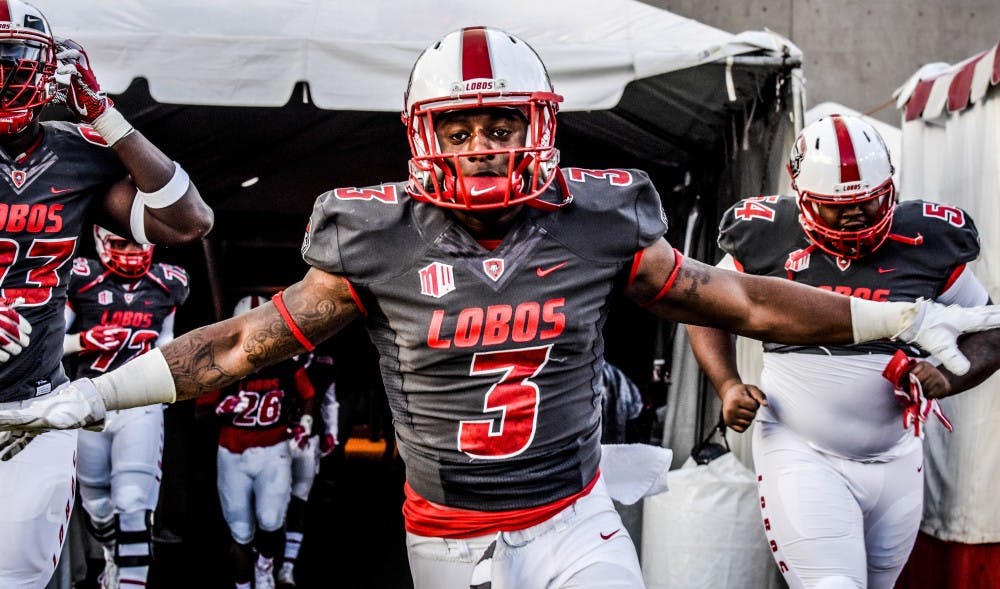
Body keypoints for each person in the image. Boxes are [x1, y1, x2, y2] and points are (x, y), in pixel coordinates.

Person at [0, 27, 998, 589]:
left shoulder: (601, 218)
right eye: (461, 126)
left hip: (574, 519)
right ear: (426, 135)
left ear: (540, 127)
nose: (481, 145)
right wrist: (90, 397)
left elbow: (739, 298)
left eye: (500, 124)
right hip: (447, 534)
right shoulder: (372, 235)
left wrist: (894, 321)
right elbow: (236, 348)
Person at [685, 114, 992, 589]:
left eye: (870, 202)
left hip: (897, 456)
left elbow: (989, 328)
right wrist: (727, 384)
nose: (857, 215)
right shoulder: (766, 232)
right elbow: (701, 305)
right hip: (801, 448)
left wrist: (946, 377)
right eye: (837, 207)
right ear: (804, 200)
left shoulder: (927, 239)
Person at [0, 1, 212, 586]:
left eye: (9, 58)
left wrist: (108, 118)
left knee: (19, 576)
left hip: (34, 409)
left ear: (46, 69)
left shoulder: (74, 153)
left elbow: (188, 222)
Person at [62, 226, 190, 588]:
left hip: (141, 403)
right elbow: (49, 346)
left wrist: (167, 388)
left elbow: (167, 344)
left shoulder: (168, 282)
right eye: (121, 243)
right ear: (101, 242)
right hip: (92, 401)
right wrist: (84, 340)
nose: (132, 252)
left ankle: (130, 579)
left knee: (134, 503)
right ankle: (112, 555)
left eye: (138, 243)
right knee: (97, 505)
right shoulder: (82, 278)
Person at [199, 295, 316, 589]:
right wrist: (219, 409)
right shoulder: (223, 366)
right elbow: (198, 412)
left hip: (274, 452)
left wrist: (305, 423)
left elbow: (309, 394)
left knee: (272, 520)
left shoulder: (285, 363)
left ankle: (264, 565)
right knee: (239, 532)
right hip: (232, 454)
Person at [278, 350, 338, 588]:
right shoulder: (278, 361)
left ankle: (287, 567)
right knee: (271, 503)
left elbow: (330, 400)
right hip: (275, 441)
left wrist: (331, 433)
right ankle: (265, 560)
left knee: (298, 502)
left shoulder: (324, 365)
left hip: (307, 442)